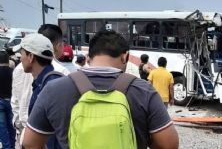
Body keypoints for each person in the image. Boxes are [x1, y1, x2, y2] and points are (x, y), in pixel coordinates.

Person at [22, 30, 179, 149]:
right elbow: (169, 144)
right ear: (124, 57)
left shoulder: (54, 89)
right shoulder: (144, 90)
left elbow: (30, 143)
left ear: (89, 57)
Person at [11, 24, 70, 147]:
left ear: (31, 56)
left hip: (41, 140)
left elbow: (15, 103)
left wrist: (19, 128)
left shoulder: (49, 85)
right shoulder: (59, 74)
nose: (20, 58)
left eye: (22, 53)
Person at [0, 51, 15, 148]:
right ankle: (12, 145)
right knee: (12, 127)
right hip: (11, 102)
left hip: (0, 102)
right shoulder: (13, 72)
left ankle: (6, 147)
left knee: (2, 129)